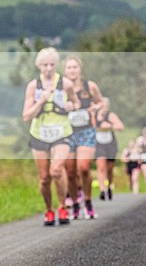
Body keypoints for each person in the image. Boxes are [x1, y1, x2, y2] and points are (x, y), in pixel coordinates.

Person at [22, 47, 79, 226]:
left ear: (56, 66)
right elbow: (26, 116)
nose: (48, 68)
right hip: (39, 133)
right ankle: (48, 210)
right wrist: (40, 100)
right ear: (39, 66)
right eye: (45, 65)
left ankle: (62, 207)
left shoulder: (65, 84)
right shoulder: (33, 86)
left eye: (52, 65)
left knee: (56, 170)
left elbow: (76, 102)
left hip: (61, 132)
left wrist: (71, 105)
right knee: (45, 178)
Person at [62, 55, 103, 219]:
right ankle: (75, 204)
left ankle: (88, 201)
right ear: (64, 71)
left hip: (86, 131)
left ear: (80, 69)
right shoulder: (61, 88)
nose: (72, 70)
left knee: (83, 167)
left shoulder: (90, 86)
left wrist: (95, 107)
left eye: (75, 67)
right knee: (70, 171)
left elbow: (101, 102)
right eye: (69, 68)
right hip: (67, 131)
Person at [93, 97, 124, 200]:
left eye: (106, 105)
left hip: (110, 144)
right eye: (102, 105)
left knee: (109, 168)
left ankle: (109, 186)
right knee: (100, 166)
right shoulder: (93, 115)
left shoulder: (110, 115)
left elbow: (121, 127)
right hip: (98, 144)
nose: (104, 107)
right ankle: (102, 190)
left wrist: (110, 126)